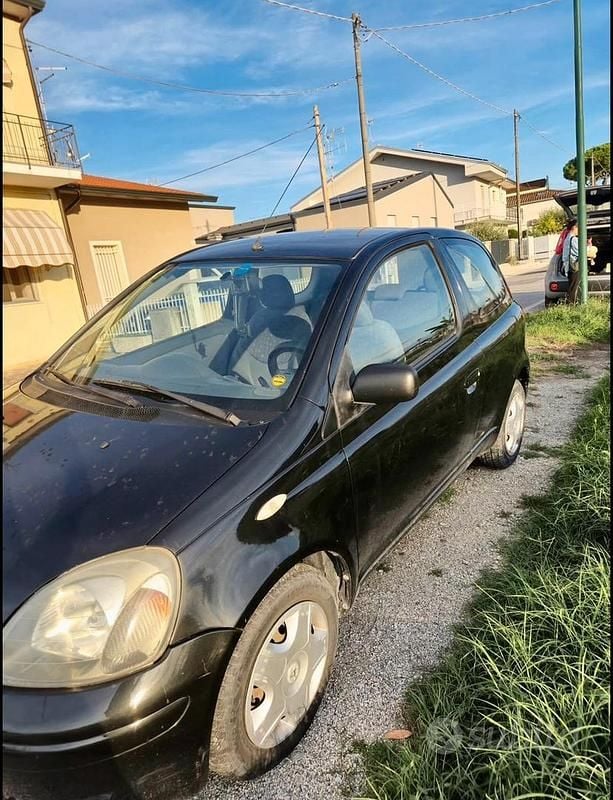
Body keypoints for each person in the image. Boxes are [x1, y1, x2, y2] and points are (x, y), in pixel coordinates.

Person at [562, 221, 580, 303]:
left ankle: (570, 305)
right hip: (574, 266)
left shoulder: (567, 238)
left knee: (571, 286)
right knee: (573, 288)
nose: (579, 230)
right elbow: (581, 252)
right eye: (578, 228)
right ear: (574, 227)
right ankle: (571, 305)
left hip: (568, 266)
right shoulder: (573, 239)